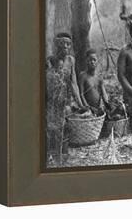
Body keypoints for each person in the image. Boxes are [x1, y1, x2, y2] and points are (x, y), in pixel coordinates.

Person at [45, 32, 86, 163]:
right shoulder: (50, 61)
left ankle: (62, 156)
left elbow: (73, 83)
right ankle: (50, 156)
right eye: (62, 44)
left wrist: (80, 103)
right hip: (51, 101)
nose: (65, 47)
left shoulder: (71, 61)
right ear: (57, 45)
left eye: (68, 44)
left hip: (65, 100)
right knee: (51, 128)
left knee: (65, 126)